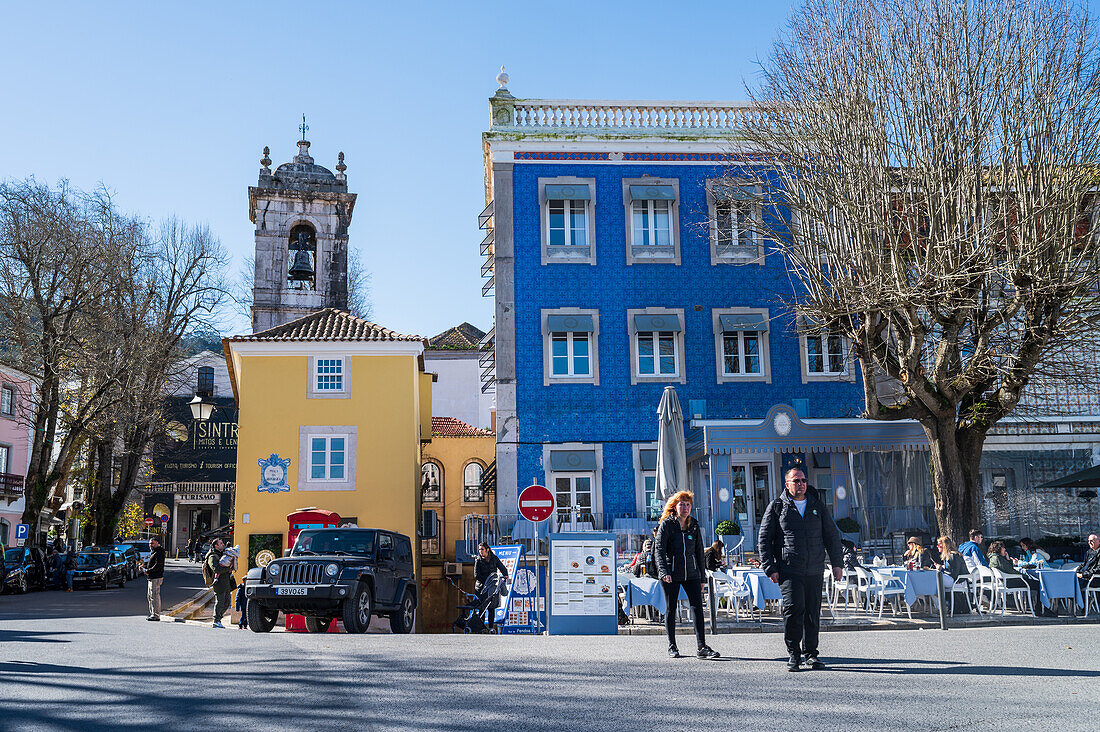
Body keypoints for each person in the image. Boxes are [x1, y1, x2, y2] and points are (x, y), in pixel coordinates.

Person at [759, 468, 844, 672]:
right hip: (790, 569)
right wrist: (770, 567)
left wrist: (837, 563)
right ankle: (794, 654)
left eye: (804, 480)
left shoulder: (817, 505)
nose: (801, 484)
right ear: (787, 484)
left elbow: (831, 535)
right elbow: (764, 539)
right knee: (794, 610)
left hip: (814, 568)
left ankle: (811, 654)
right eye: (796, 481)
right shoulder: (778, 507)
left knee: (813, 613)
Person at [654, 490, 720, 660]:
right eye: (681, 504)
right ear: (674, 507)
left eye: (688, 504)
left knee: (697, 607)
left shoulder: (694, 525)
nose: (685, 507)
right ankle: (672, 645)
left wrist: (702, 577)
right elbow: (659, 550)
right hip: (671, 572)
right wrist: (664, 572)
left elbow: (699, 552)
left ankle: (702, 646)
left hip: (692, 573)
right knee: (671, 609)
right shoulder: (667, 525)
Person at [473, 542, 509, 630]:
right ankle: (481, 628)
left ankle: (490, 627)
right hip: (481, 587)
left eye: (482, 549)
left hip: (492, 587)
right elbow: (476, 575)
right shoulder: (478, 560)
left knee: (491, 607)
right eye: (479, 550)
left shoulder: (494, 558)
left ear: (487, 550)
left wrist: (505, 576)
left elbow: (503, 568)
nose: (480, 551)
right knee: (482, 608)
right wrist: (486, 581)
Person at [205, 537, 235, 628]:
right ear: (216, 546)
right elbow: (216, 568)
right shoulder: (213, 556)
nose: (223, 544)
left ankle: (218, 618)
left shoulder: (222, 554)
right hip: (218, 583)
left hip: (226, 582)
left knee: (226, 603)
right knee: (220, 602)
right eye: (221, 543)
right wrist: (227, 568)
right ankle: (216, 620)